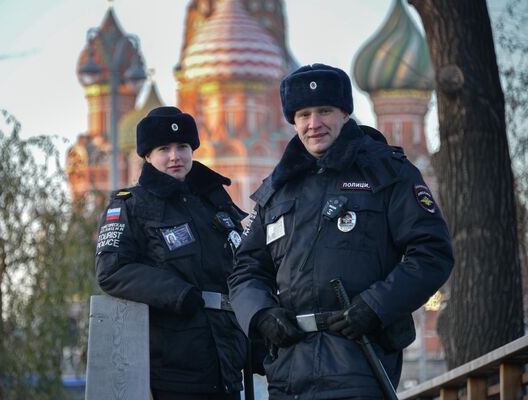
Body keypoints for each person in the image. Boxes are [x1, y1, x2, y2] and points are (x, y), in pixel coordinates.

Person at [228, 64, 454, 399]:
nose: (314, 124)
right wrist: (261, 315)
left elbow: (432, 252)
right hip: (289, 369)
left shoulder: (387, 173)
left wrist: (377, 305)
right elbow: (246, 269)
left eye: (325, 111)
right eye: (304, 114)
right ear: (293, 121)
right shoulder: (279, 189)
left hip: (361, 359)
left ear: (345, 114)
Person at [95, 106, 248, 400]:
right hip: (174, 360)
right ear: (147, 156)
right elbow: (111, 271)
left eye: (182, 147)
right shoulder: (131, 206)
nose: (175, 156)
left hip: (227, 357)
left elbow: (241, 264)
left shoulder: (214, 202)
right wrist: (179, 294)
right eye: (164, 149)